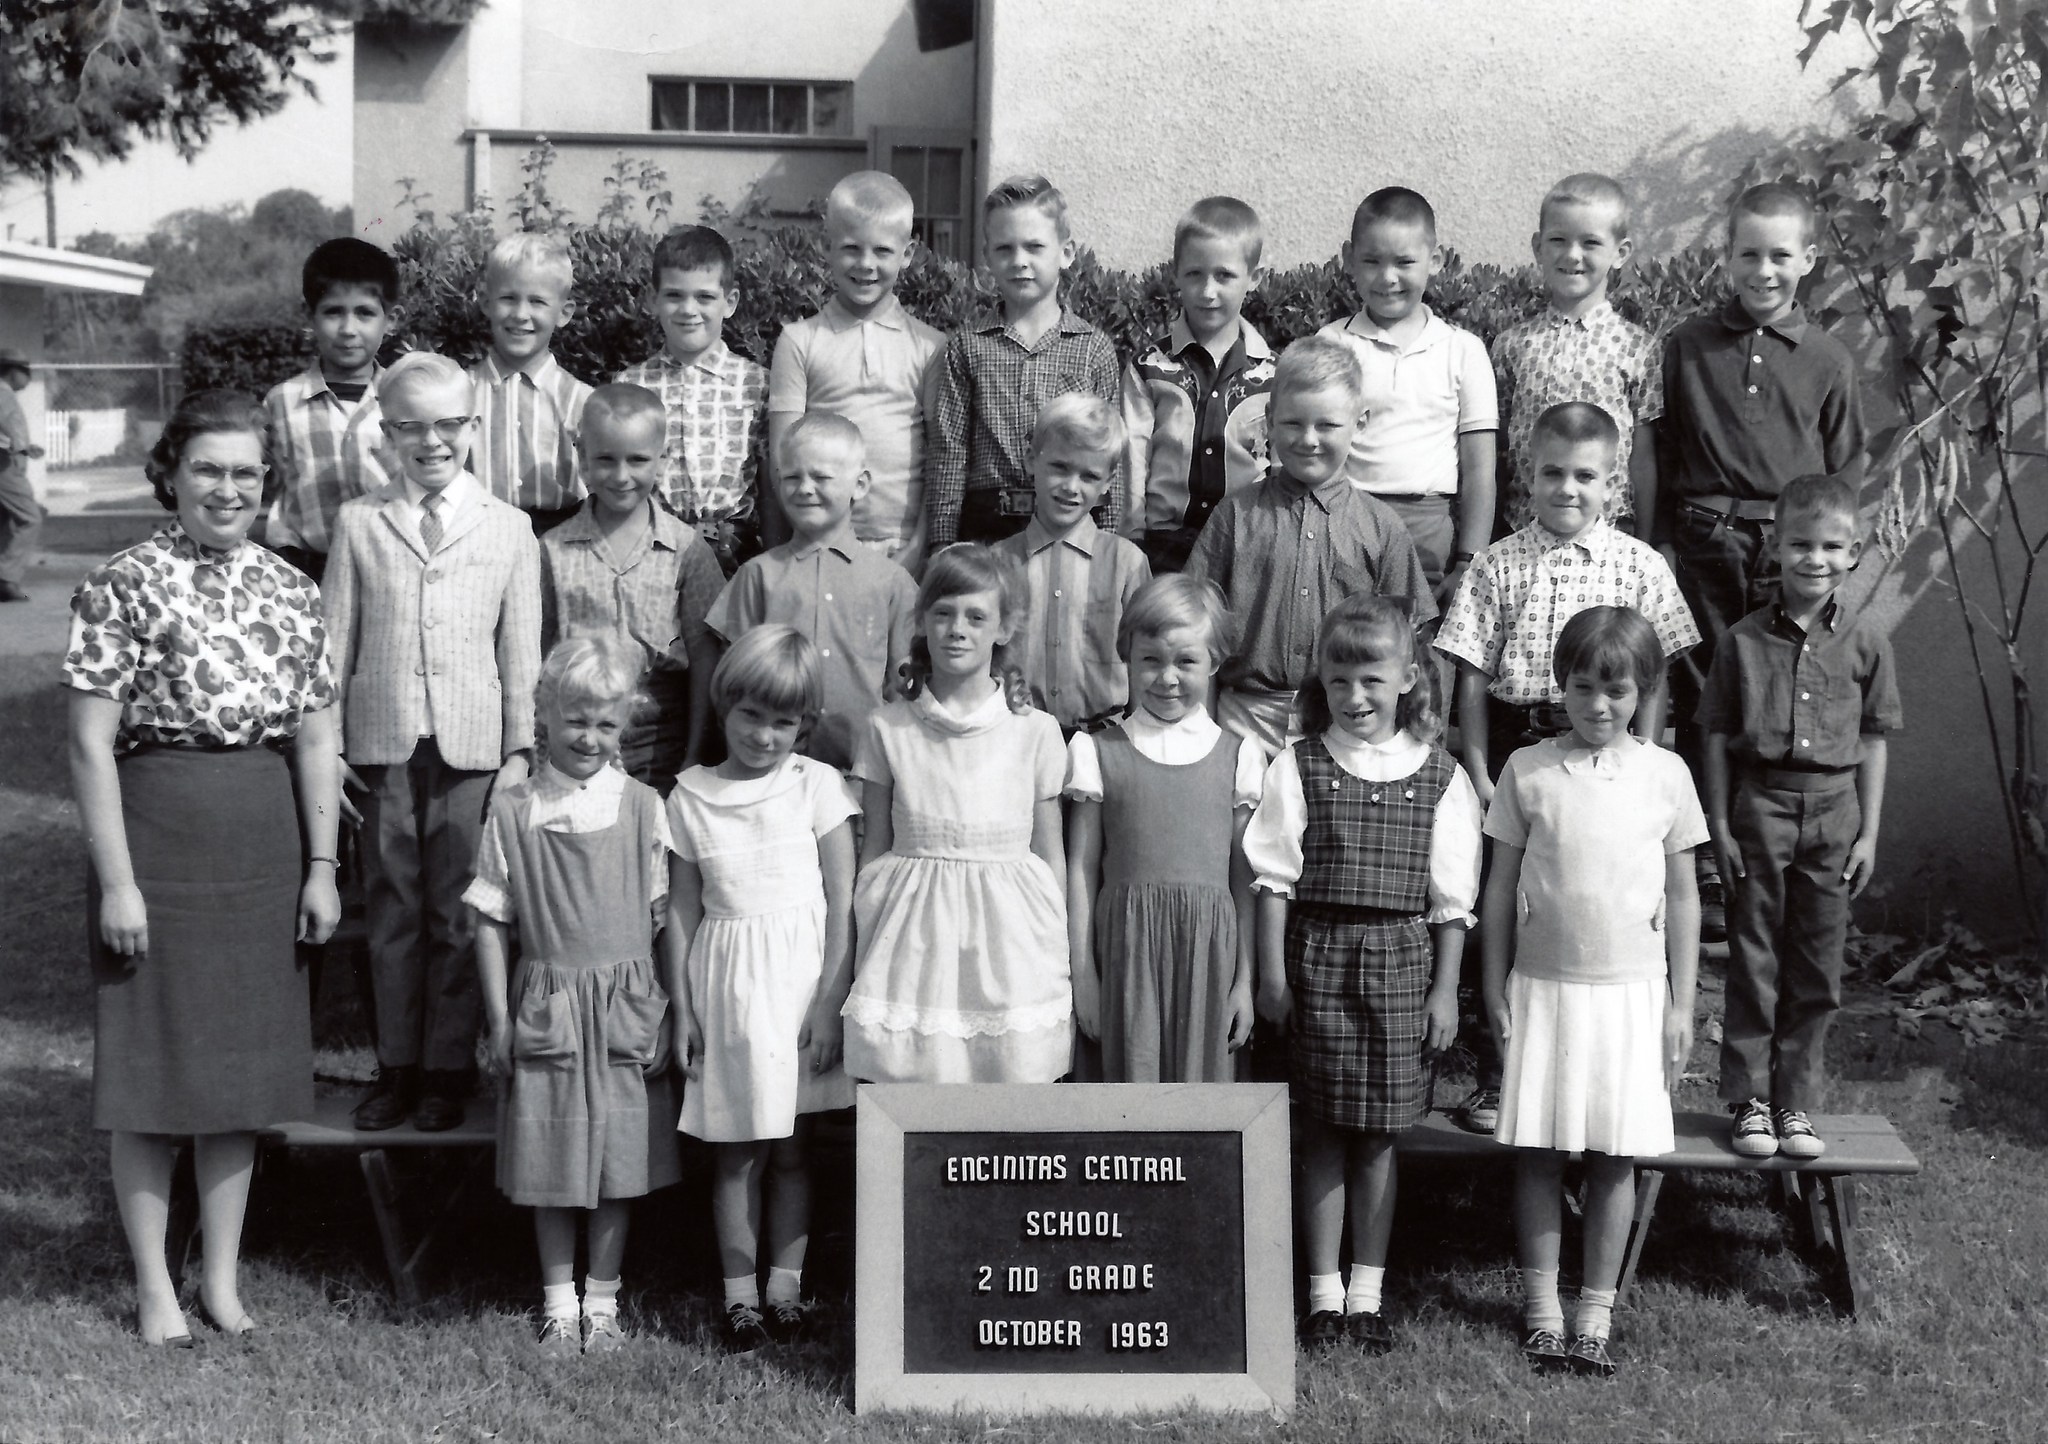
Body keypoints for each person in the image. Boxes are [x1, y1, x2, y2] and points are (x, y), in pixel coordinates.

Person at [64, 389, 344, 1344]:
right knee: (151, 1073)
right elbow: (90, 746)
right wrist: (119, 882)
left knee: (240, 1077)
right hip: (159, 835)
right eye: (209, 470)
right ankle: (153, 1286)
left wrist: (321, 866)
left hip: (262, 841)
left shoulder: (293, 591)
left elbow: (315, 744)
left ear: (268, 485)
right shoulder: (122, 582)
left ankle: (219, 1282)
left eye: (246, 474)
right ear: (172, 474)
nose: (228, 489)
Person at [1433, 401, 1697, 1133]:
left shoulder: (1640, 566)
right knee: (1508, 907)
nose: (1567, 489)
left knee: (1601, 902)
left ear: (1613, 484)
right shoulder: (1497, 562)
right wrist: (1482, 770)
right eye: (1553, 473)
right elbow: (1472, 677)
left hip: (1614, 751)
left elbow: (1657, 675)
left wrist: (1645, 754)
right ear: (1529, 473)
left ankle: (1605, 1069)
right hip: (1523, 751)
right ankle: (1499, 1072)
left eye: (1586, 476)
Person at [1244, 595, 1482, 1352]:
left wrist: (1445, 990)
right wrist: (1273, 978)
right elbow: (1274, 879)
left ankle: (1368, 1295)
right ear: (1322, 678)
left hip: (1402, 966)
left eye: (1374, 680)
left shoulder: (1441, 776)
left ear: (1408, 679)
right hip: (1319, 961)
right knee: (1320, 1132)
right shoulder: (1302, 763)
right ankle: (1321, 1294)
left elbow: (1451, 901)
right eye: (1341, 680)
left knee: (1379, 1138)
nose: (1356, 697)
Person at [1480, 606, 1706, 1378]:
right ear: (1560, 686)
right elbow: (1500, 884)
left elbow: (1683, 897)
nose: (1599, 706)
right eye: (1582, 688)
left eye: (1617, 690)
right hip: (1545, 990)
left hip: (1631, 996)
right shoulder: (1528, 770)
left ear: (1644, 690)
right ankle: (1543, 1310)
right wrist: (1493, 984)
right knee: (1541, 1152)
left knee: (1615, 1157)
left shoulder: (1667, 775)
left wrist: (1683, 1006)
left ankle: (1595, 1314)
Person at [325, 352, 542, 1133]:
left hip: (473, 754)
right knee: (393, 908)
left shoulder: (509, 527)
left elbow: (521, 655)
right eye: (411, 427)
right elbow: (334, 646)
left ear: (474, 427)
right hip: (381, 746)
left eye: (448, 424)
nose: (431, 441)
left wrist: (521, 752)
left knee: (461, 911)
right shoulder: (360, 522)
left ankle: (448, 1069)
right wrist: (330, 746)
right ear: (387, 434)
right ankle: (398, 1067)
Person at [1658, 181, 1867, 938]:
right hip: (1704, 541)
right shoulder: (1688, 344)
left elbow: (1844, 468)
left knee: (1775, 695)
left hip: (1784, 555)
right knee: (1703, 691)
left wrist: (1816, 550)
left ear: (1807, 260)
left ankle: (1766, 862)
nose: (1764, 270)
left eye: (1781, 255)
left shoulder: (1828, 359)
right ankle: (1704, 862)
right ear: (1727, 257)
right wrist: (1663, 538)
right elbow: (1667, 445)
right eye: (1749, 253)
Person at [466, 634, 683, 1355]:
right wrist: (499, 1020)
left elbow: (663, 922)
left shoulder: (646, 807)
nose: (589, 738)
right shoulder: (514, 810)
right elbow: (490, 923)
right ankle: (559, 1303)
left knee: (621, 1159)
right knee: (551, 1158)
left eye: (606, 724)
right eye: (575, 721)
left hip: (624, 1004)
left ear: (626, 725)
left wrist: (667, 1010)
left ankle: (605, 1301)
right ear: (543, 716)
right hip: (548, 1003)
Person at [665, 625, 859, 1352]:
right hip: (728, 992)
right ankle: (739, 1298)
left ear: (803, 725)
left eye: (784, 722)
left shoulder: (818, 786)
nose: (765, 735)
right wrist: (682, 1010)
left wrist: (830, 1003)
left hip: (801, 989)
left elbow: (844, 901)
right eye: (751, 716)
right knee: (737, 1151)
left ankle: (787, 1289)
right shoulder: (689, 796)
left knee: (794, 1149)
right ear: (724, 708)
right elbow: (681, 914)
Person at [1699, 474, 1900, 1160]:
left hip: (1836, 810)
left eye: (1830, 547)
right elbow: (1718, 736)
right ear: (1775, 549)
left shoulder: (1868, 643)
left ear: (1853, 554)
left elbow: (1875, 738)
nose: (1814, 559)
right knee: (1754, 955)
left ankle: (1797, 1102)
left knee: (1818, 964)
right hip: (1761, 804)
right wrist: (1721, 826)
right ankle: (1750, 1099)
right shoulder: (1742, 641)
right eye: (1800, 545)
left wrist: (1870, 832)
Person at [840, 544, 1072, 1082]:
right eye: (942, 613)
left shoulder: (1034, 731)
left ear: (1005, 628)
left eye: (975, 616)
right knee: (916, 1081)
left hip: (1011, 942)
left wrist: (1054, 953)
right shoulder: (888, 728)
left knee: (1011, 1080)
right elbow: (872, 849)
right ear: (921, 621)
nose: (956, 630)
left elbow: (1050, 854)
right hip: (913, 939)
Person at [1185, 335, 1436, 759]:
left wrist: (1418, 733)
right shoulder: (1236, 516)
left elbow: (1410, 642)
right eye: (1293, 423)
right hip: (1245, 717)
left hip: (1345, 719)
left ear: (1359, 422)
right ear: (1269, 419)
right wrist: (1201, 727)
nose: (1309, 439)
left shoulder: (1381, 528)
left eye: (1327, 425)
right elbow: (1196, 622)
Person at [1064, 573, 1263, 1082]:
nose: (1167, 677)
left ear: (1215, 662)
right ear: (1127, 657)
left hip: (1208, 961)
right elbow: (1082, 869)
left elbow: (1244, 877)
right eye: (1150, 659)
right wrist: (1084, 977)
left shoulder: (1239, 756)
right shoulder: (1096, 751)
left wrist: (1244, 981)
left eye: (1186, 661)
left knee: (1201, 1115)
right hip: (1126, 956)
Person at [705, 411, 918, 772]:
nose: (805, 488)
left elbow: (904, 687)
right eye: (792, 477)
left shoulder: (891, 582)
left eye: (821, 477)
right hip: (772, 775)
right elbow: (731, 687)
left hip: (863, 773)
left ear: (860, 484)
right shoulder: (757, 576)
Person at [1316, 186, 1497, 600]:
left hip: (1430, 526)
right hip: (1347, 517)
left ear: (1434, 260)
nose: (1388, 277)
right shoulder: (1332, 343)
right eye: (1372, 261)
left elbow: (1480, 469)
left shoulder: (1462, 349)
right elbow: (1318, 449)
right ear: (1349, 258)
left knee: (1423, 649)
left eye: (1404, 262)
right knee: (1347, 643)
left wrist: (1470, 558)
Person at [541, 382, 723, 791]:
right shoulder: (551, 551)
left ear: (662, 460)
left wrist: (695, 755)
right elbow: (537, 653)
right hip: (576, 745)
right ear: (582, 458)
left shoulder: (687, 551)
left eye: (638, 460)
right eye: (605, 460)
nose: (621, 476)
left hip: (661, 745)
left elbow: (705, 662)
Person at [925, 175, 1122, 549]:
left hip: (1069, 521)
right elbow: (950, 454)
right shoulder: (967, 347)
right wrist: (942, 546)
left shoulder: (1092, 349)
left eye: (1034, 247)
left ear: (1066, 253)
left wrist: (1107, 545)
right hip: (985, 527)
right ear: (987, 255)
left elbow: (1108, 454)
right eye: (1005, 249)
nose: (1019, 261)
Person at [768, 171, 945, 573]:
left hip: (903, 549)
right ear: (826, 247)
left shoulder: (931, 346)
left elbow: (941, 455)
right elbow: (783, 457)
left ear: (908, 252)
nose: (865, 264)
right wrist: (810, 539)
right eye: (850, 248)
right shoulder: (799, 341)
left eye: (882, 251)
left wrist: (919, 546)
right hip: (817, 544)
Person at [1491, 173, 1664, 534]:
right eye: (1558, 240)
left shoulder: (1638, 348)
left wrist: (1647, 539)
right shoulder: (1513, 345)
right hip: (1525, 531)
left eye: (1590, 243)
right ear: (1538, 247)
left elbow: (1643, 460)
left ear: (1620, 252)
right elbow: (1500, 450)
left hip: (1611, 538)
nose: (1572, 255)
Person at [1119, 195, 1277, 574]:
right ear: (1176, 273)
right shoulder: (1149, 368)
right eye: (1194, 274)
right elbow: (1131, 456)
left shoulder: (1274, 375)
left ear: (1253, 278)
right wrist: (1130, 536)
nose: (1208, 291)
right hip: (1161, 546)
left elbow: (1280, 467)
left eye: (1224, 276)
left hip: (1246, 544)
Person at [993, 394, 1152, 735]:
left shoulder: (1127, 563)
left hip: (1104, 741)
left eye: (1089, 476)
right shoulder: (997, 562)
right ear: (1032, 460)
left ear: (1108, 484)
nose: (1071, 487)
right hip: (1013, 735)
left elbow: (1145, 659)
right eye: (1060, 467)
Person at [617, 225, 770, 576]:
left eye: (704, 297)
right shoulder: (631, 384)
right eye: (674, 296)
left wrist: (774, 563)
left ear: (729, 302)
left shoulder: (756, 384)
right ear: (653, 299)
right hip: (650, 551)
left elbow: (768, 484)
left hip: (735, 555)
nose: (689, 309)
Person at [261, 238, 400, 583]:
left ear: (391, 320)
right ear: (310, 316)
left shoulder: (404, 401)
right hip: (303, 571)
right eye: (333, 312)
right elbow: (265, 488)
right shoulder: (281, 402)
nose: (349, 329)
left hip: (389, 570)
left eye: (365, 313)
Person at [468, 231, 596, 536]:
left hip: (559, 538)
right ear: (486, 302)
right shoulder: (460, 390)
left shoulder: (582, 400)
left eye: (537, 301)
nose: (521, 314)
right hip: (477, 535)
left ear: (564, 313)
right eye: (508, 298)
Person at [0, 346, 47, 602]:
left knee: (6, 522)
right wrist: (21, 445)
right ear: (11, 371)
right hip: (4, 465)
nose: (27, 377)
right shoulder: (4, 393)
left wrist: (25, 447)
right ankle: (6, 579)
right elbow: (9, 423)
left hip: (7, 458)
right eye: (24, 371)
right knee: (30, 518)